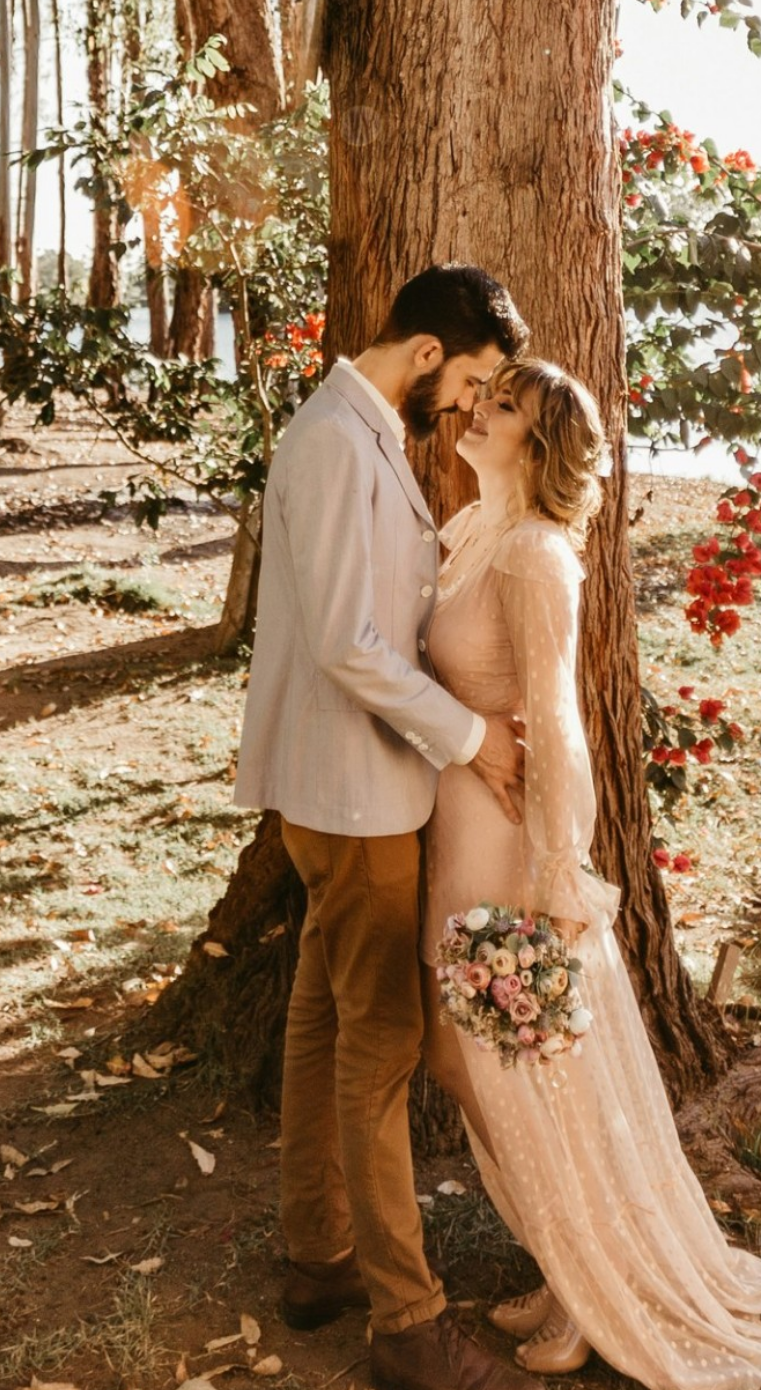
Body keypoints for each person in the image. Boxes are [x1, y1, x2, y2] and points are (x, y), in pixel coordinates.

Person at [423, 359, 761, 1388]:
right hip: (454, 832)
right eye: (487, 397)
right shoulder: (471, 534)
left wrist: (555, 868)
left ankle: (596, 1298)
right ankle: (564, 1258)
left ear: (538, 452)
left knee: (527, 1075)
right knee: (468, 1067)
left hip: (507, 845)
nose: (479, 412)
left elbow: (561, 720)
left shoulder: (538, 555)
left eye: (505, 410)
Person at [235, 264, 539, 1390]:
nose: (467, 406)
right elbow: (353, 649)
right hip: (355, 796)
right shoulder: (332, 444)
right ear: (427, 355)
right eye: (469, 382)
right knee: (384, 1047)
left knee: (322, 1023)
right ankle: (408, 1324)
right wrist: (471, 736)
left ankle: (316, 1257)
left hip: (344, 790)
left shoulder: (359, 433)